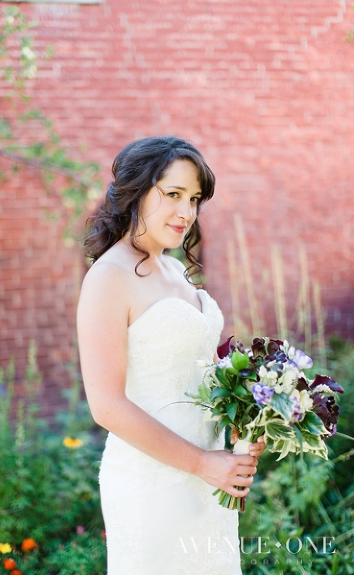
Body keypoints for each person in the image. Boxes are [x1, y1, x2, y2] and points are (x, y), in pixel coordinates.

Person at [76, 136, 266, 574]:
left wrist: (249, 419)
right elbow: (106, 405)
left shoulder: (176, 269)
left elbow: (196, 374)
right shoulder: (109, 277)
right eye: (173, 195)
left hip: (209, 477)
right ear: (135, 192)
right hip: (153, 482)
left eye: (195, 199)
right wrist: (203, 465)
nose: (187, 213)